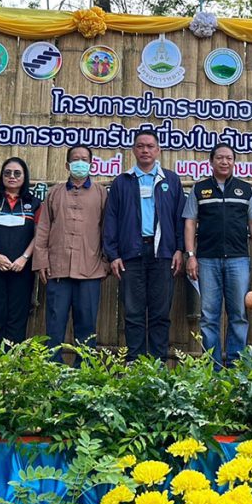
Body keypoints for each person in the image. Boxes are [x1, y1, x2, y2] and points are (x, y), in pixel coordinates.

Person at [103, 129, 186, 362]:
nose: (145, 150)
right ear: (133, 150)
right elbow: (110, 219)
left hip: (163, 254)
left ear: (158, 150)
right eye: (140, 146)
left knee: (160, 313)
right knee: (133, 313)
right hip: (130, 254)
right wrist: (113, 254)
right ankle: (135, 364)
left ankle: (157, 365)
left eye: (150, 146)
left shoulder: (171, 180)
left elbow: (180, 217)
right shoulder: (122, 182)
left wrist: (179, 249)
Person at [183, 144, 252, 368]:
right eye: (220, 158)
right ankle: (213, 367)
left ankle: (235, 365)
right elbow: (190, 223)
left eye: (229, 158)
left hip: (238, 260)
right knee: (209, 316)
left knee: (238, 314)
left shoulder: (245, 189)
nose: (224, 162)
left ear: (234, 162)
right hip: (206, 260)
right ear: (211, 161)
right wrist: (190, 255)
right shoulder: (199, 189)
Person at [32, 145, 108, 362]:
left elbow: (108, 229)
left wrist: (105, 262)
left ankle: (83, 369)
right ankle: (52, 368)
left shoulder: (101, 193)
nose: (80, 163)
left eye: (84, 159)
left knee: (87, 324)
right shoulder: (54, 193)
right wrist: (41, 261)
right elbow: (43, 228)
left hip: (90, 269)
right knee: (55, 322)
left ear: (91, 164)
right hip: (58, 268)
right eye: (76, 159)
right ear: (67, 165)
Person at [0, 157, 42, 345]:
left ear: (24, 177)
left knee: (17, 317)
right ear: (2, 176)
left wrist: (24, 258)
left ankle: (13, 360)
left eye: (17, 173)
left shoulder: (35, 204)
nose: (12, 176)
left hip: (22, 268)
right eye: (7, 173)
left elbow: (40, 235)